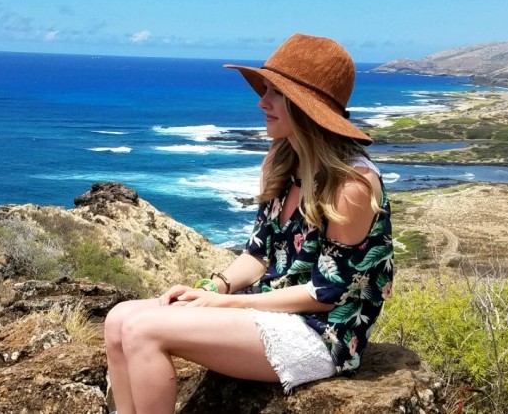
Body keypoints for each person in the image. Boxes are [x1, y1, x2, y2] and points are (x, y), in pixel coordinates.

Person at [102, 33, 395, 413]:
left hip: (321, 334)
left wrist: (223, 304)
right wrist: (211, 286)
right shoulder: (282, 161)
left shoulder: (350, 184)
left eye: (275, 93)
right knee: (118, 319)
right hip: (269, 311)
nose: (262, 102)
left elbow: (327, 294)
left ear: (304, 107)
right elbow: (257, 254)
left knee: (143, 330)